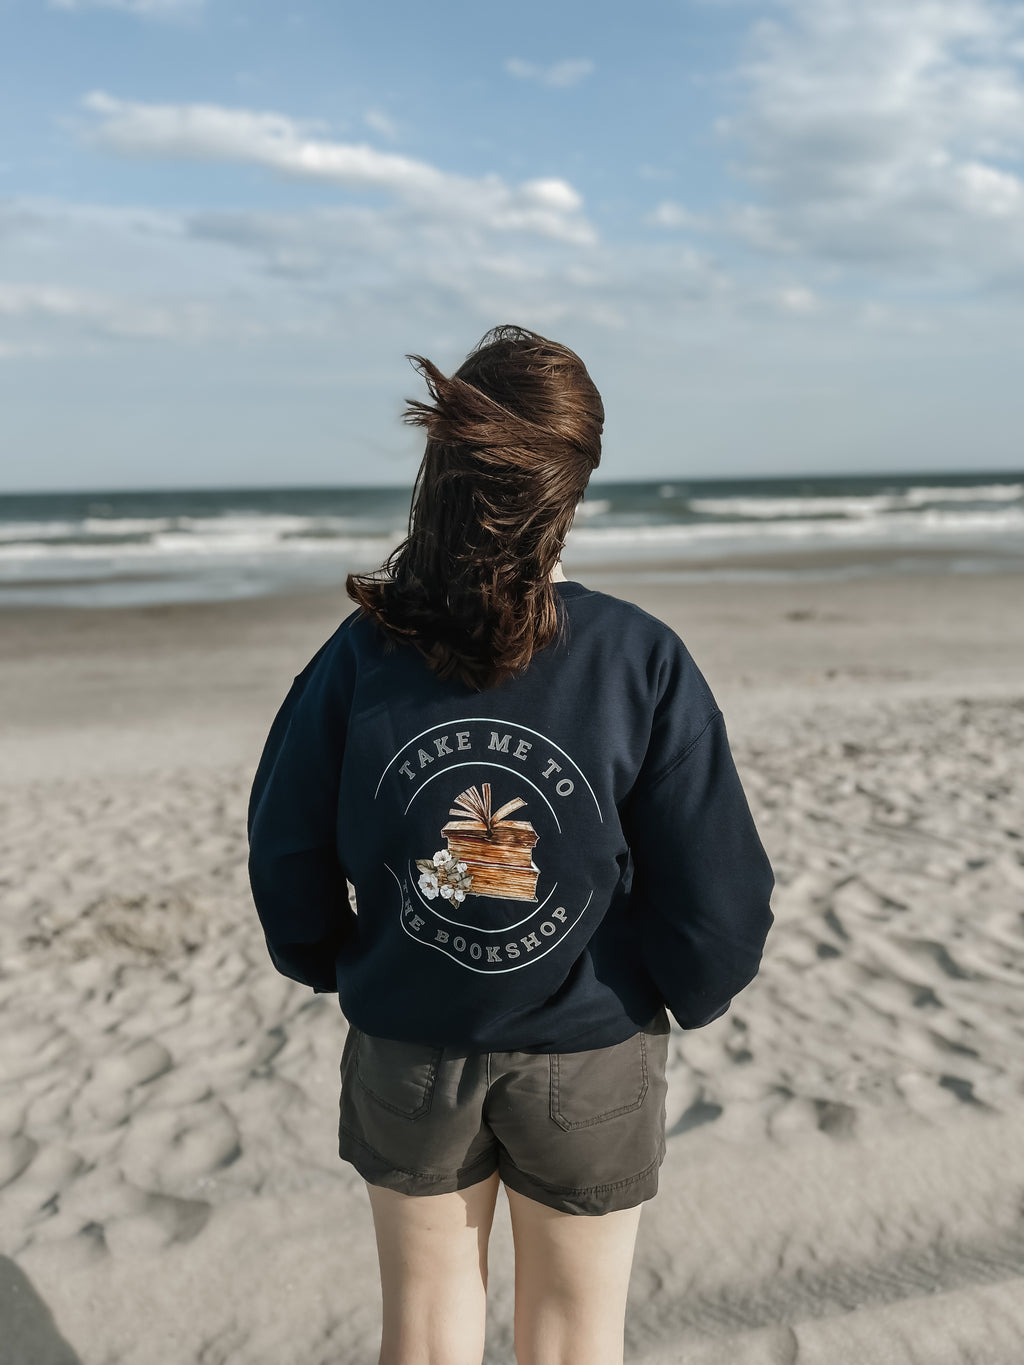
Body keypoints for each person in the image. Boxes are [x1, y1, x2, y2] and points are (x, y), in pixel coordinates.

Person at [247, 325, 774, 1365]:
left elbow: (285, 847)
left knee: (428, 1329)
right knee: (577, 1338)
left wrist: (330, 959)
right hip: (590, 1045)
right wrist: (677, 991)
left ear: (441, 467)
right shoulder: (637, 657)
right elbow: (719, 898)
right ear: (573, 485)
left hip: (410, 1039)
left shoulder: (360, 657)